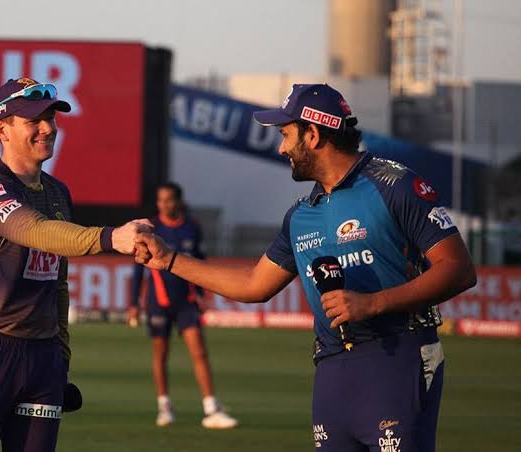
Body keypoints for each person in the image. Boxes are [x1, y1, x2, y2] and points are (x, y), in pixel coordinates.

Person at [134, 84, 477, 451]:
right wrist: (169, 260)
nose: (281, 148)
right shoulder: (300, 215)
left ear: (312, 134)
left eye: (285, 135)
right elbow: (253, 285)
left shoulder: (395, 185)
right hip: (331, 371)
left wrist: (373, 303)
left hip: (397, 360)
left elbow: (458, 268)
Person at [0, 77, 151, 452]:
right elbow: (35, 231)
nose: (48, 128)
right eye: (33, 120)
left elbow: (58, 283)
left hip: (42, 357)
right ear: (2, 130)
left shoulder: (57, 192)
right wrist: (110, 238)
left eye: (50, 118)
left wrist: (60, 359)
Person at [129, 182, 238, 429]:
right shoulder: (150, 229)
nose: (164, 204)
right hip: (159, 301)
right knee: (161, 353)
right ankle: (164, 406)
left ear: (178, 201)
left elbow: (200, 261)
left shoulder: (191, 227)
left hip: (186, 302)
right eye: (160, 200)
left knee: (199, 351)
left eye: (168, 200)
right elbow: (138, 268)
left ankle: (211, 409)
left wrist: (200, 293)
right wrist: (134, 302)